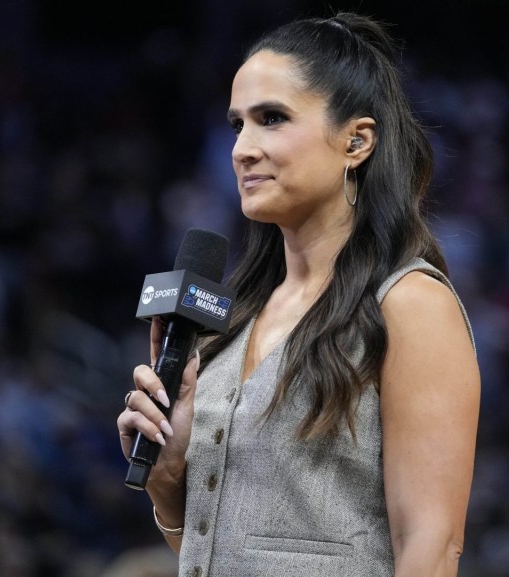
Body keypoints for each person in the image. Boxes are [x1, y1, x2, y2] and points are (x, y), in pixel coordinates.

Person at [117, 12, 480, 577]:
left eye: (271, 119)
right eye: (237, 124)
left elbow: (431, 548)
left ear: (356, 141)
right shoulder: (235, 317)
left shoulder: (410, 304)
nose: (241, 148)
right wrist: (167, 484)